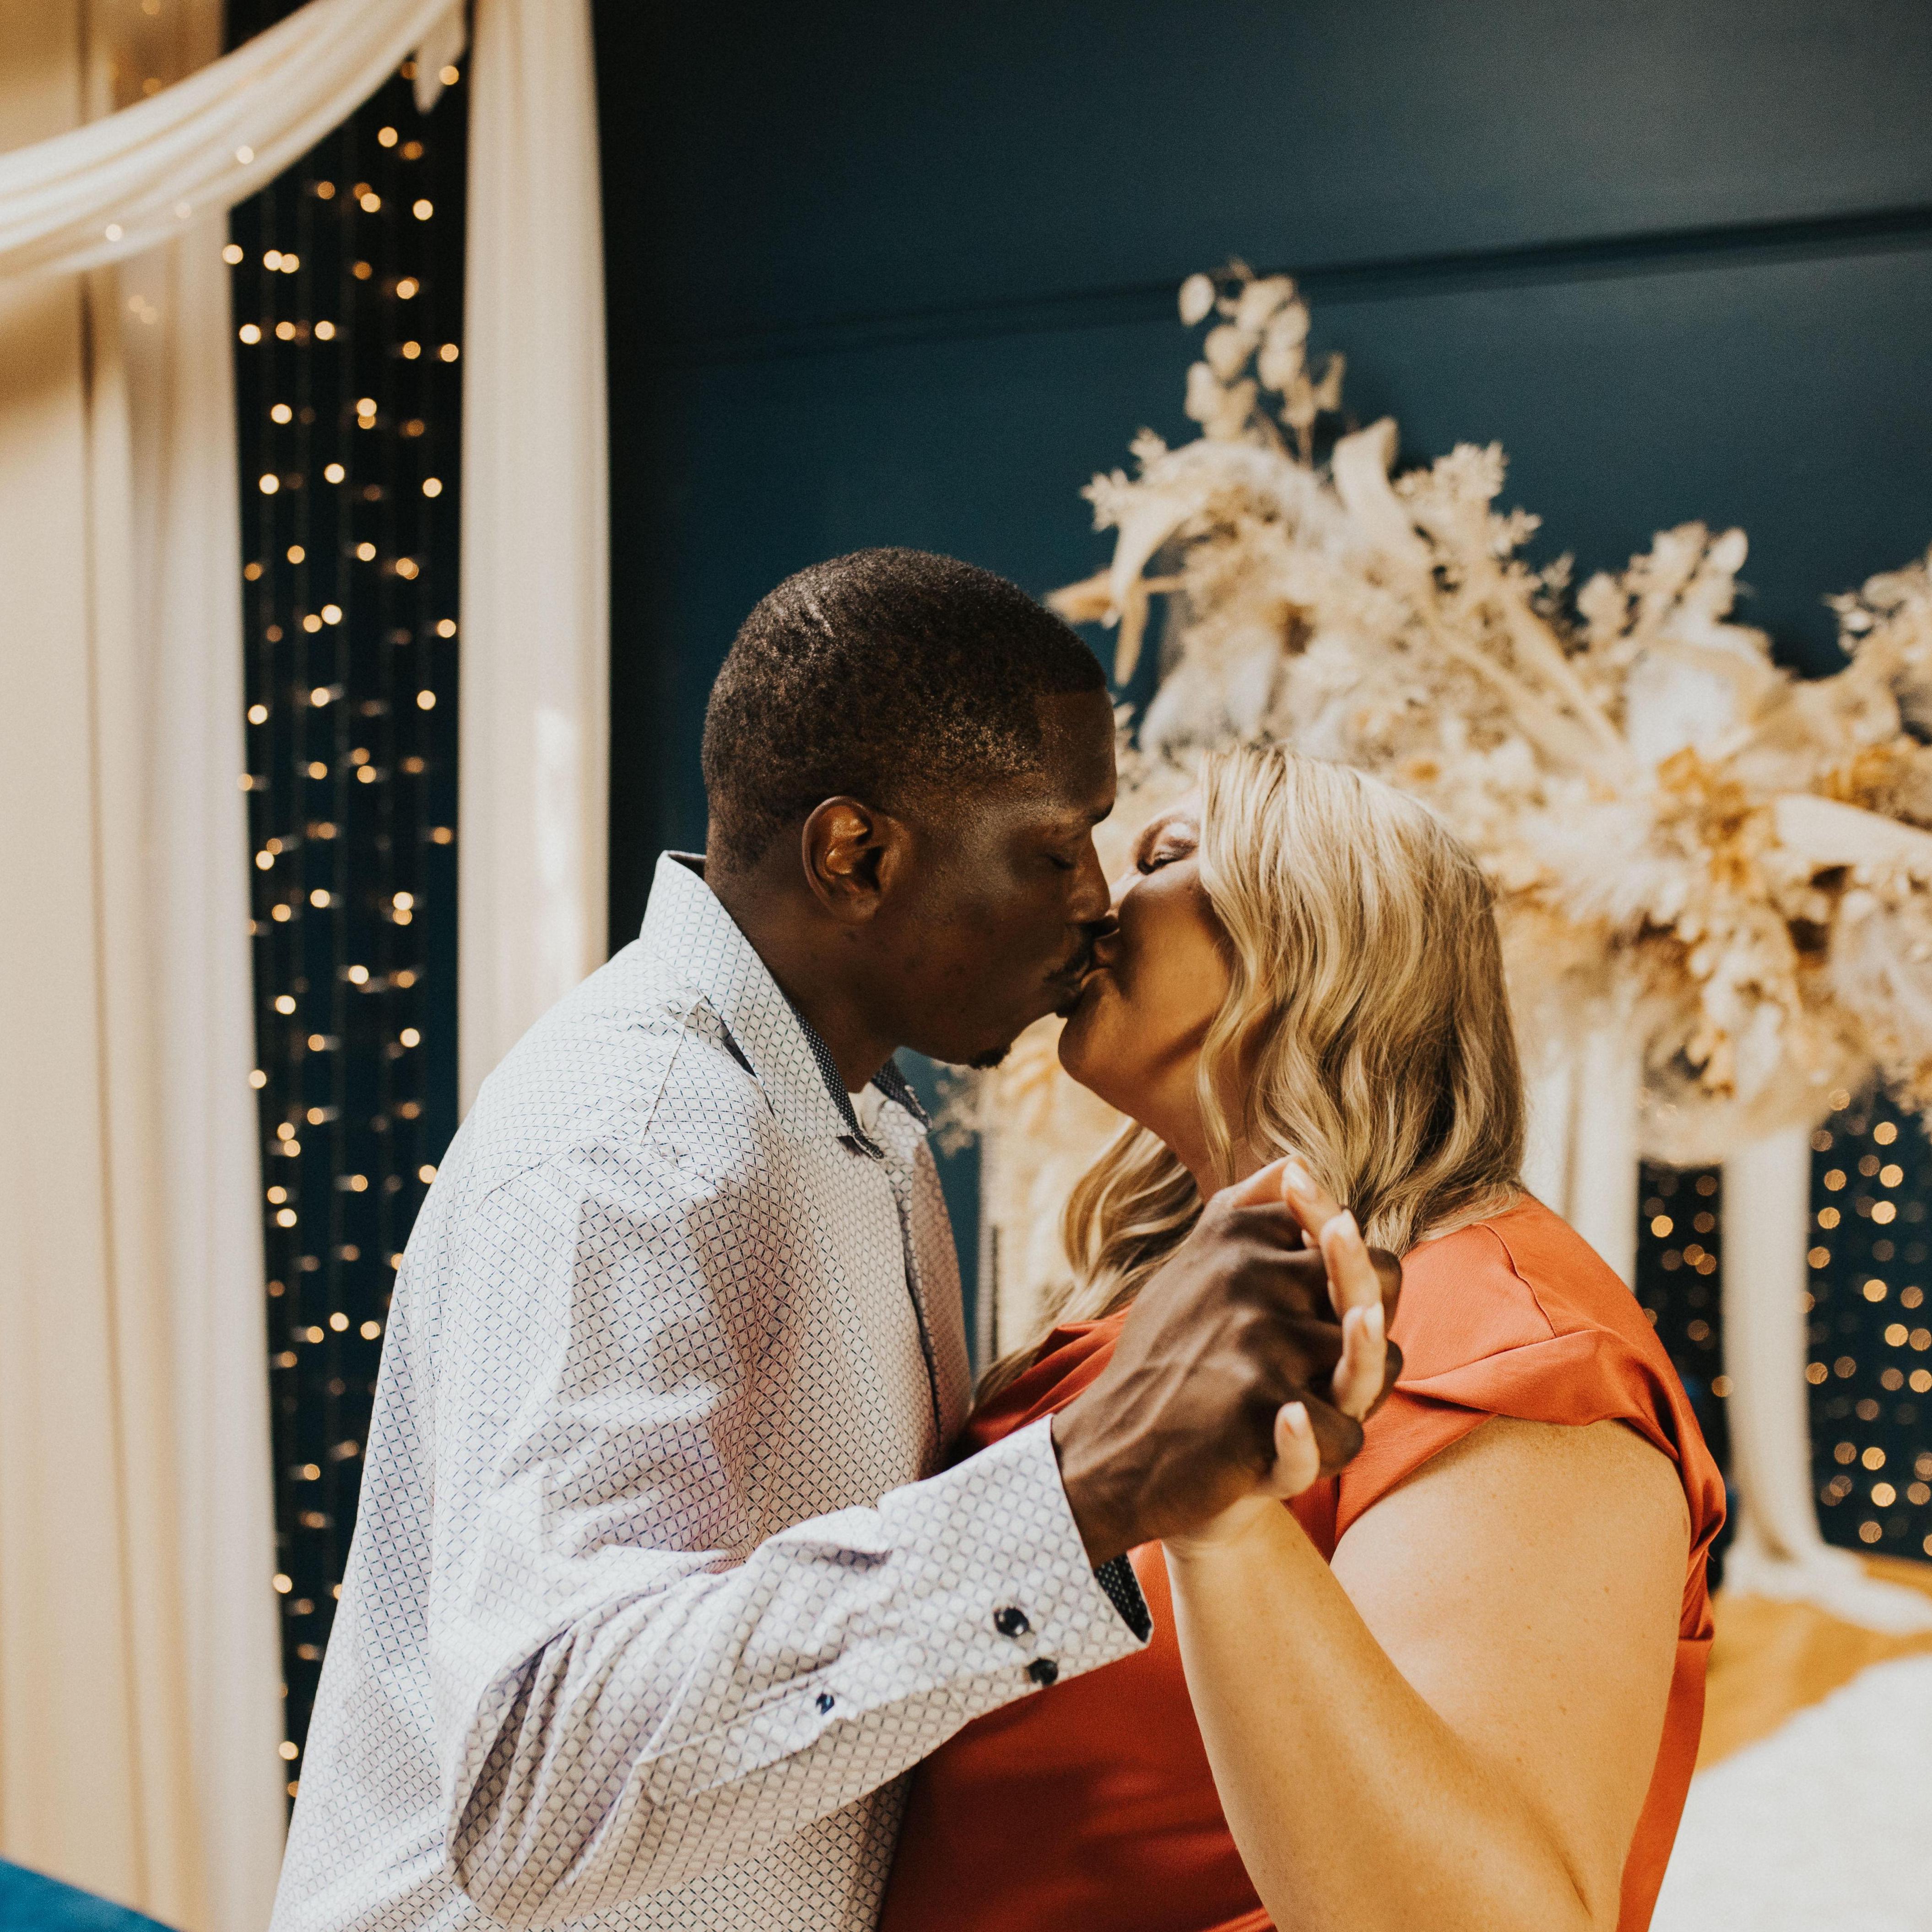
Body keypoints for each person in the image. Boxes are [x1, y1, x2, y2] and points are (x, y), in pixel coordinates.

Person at [269, 552, 1396, 1932]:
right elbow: (539, 1778)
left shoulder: (868, 1124)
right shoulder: (634, 1144)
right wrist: (1079, 1486)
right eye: (1057, 849)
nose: (1097, 900)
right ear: (857, 857)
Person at [882, 746, 1726, 1932]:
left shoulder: (1518, 1362)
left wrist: (1225, 1530)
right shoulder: (1176, 1290)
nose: (1100, 904)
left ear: (1316, 937)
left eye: (1166, 856)